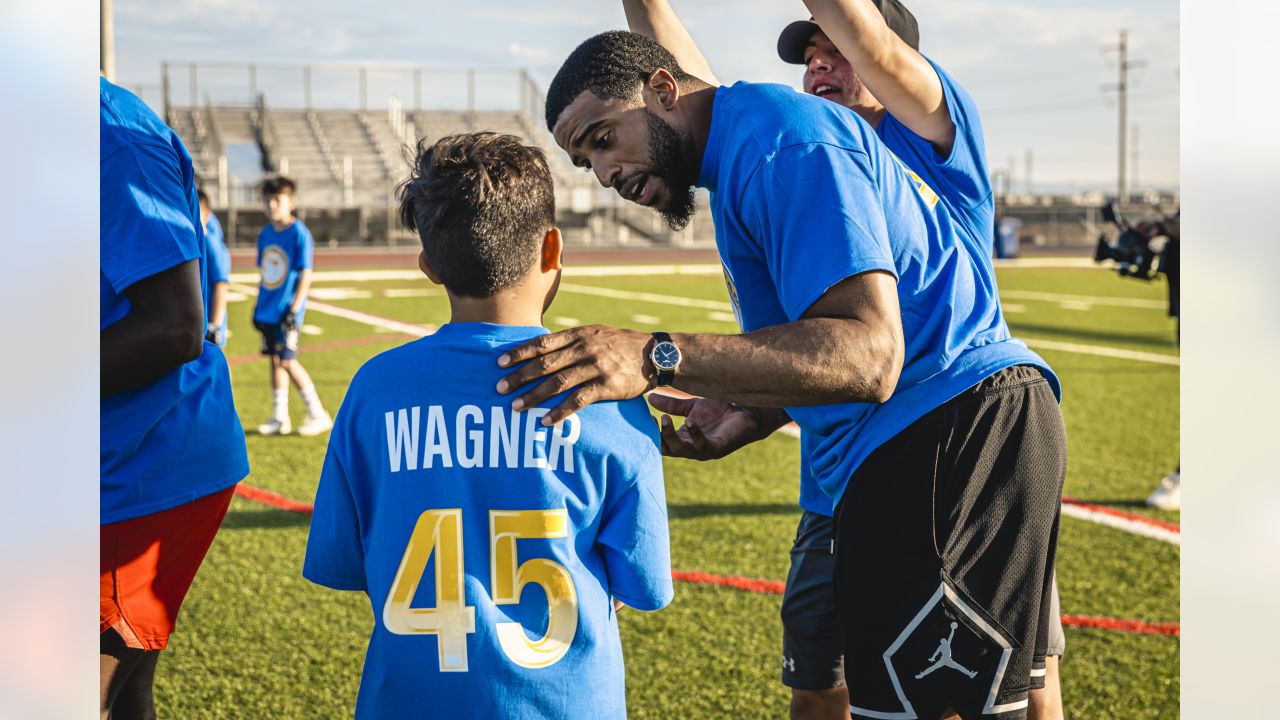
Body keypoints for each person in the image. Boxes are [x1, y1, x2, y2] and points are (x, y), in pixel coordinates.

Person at [502, 31, 1066, 720]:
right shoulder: (742, 148)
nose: (604, 171)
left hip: (944, 431)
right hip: (914, 438)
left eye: (602, 137)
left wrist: (655, 353)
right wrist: (753, 407)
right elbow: (829, 353)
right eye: (584, 159)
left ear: (661, 89)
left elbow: (869, 356)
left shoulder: (777, 141)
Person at [302, 132, 674, 719]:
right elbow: (641, 585)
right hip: (567, 701)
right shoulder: (610, 395)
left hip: (410, 701)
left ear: (428, 266)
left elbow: (345, 561)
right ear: (553, 248)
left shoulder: (376, 389)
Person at [100, 77, 250, 720]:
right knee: (122, 694)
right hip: (95, 455)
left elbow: (174, 324)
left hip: (139, 461)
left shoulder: (104, 132)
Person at [252, 176, 331, 436]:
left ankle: (317, 412)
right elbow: (265, 273)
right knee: (275, 361)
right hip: (268, 309)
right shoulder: (264, 234)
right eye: (267, 199)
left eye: (277, 199)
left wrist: (295, 308)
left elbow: (305, 273)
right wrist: (258, 305)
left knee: (287, 360)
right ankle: (279, 416)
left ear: (291, 202)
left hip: (287, 311)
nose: (272, 204)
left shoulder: (299, 234)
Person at [198, 188, 231, 347]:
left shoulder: (210, 244)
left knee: (214, 369)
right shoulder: (192, 241)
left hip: (209, 324)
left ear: (207, 215)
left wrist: (214, 325)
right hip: (195, 323)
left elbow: (221, 285)